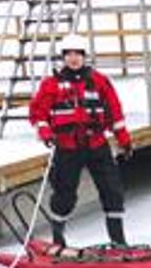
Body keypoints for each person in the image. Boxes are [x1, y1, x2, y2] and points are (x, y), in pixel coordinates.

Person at [27, 34, 133, 246]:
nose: (73, 58)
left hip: (97, 145)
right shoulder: (51, 85)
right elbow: (38, 114)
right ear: (63, 57)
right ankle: (58, 238)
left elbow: (115, 114)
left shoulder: (100, 82)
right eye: (69, 54)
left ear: (84, 56)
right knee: (64, 197)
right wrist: (46, 133)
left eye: (77, 54)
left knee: (112, 191)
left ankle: (118, 241)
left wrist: (124, 140)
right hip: (67, 147)